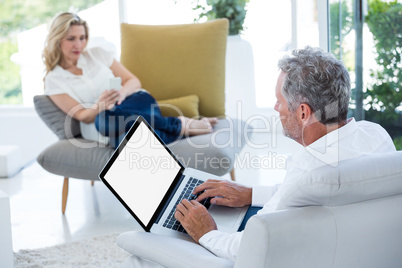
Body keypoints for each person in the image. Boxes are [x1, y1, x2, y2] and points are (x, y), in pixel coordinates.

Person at [174, 46, 396, 262]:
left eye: (279, 101)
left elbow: (249, 247)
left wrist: (206, 232)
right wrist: (250, 194)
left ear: (302, 112)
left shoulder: (310, 170)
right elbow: (306, 195)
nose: (275, 108)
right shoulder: (376, 136)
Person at [42, 12, 217, 148]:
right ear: (57, 39)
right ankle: (181, 125)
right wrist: (100, 106)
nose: (79, 45)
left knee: (123, 130)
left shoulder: (98, 54)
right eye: (71, 39)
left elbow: (133, 81)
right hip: (102, 120)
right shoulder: (53, 80)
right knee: (114, 130)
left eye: (82, 38)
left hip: (135, 102)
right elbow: (82, 116)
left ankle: (179, 126)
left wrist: (122, 93)